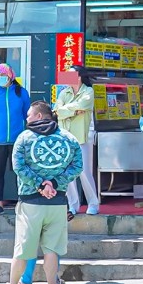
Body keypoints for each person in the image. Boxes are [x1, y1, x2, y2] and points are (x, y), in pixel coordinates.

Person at [3, 101, 83, 284]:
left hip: (30, 203)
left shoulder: (24, 138)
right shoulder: (68, 138)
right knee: (52, 250)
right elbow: (77, 167)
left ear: (39, 116)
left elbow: (18, 167)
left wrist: (40, 184)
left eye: (29, 114)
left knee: (22, 250)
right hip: (57, 203)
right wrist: (54, 183)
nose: (27, 117)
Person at [0, 63, 31, 217]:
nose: (0, 77)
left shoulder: (21, 92)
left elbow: (27, 114)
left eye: (3, 75)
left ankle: (22, 201)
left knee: (20, 171)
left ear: (10, 76)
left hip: (18, 140)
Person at [55, 66, 99, 218]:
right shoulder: (64, 92)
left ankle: (93, 203)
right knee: (67, 172)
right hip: (65, 137)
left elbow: (83, 105)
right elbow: (57, 111)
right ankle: (73, 205)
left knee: (84, 171)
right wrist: (74, 111)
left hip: (82, 136)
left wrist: (66, 111)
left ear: (79, 77)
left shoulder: (88, 91)